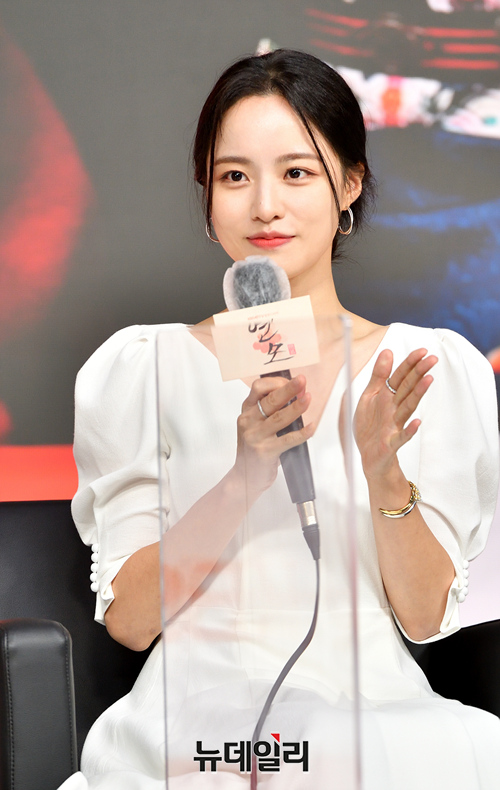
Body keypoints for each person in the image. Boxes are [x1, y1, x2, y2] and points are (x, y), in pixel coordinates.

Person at [60, 50, 500, 789]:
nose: (265, 205)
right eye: (235, 177)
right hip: (200, 723)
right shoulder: (147, 366)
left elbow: (426, 617)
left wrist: (384, 472)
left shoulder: (421, 367)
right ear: (208, 198)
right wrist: (245, 476)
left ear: (349, 185)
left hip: (374, 719)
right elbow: (131, 622)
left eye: (297, 173)